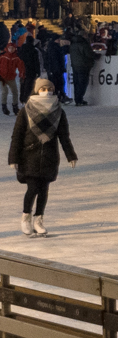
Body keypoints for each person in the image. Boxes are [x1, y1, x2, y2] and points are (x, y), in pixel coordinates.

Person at [9, 78, 76, 237]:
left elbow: (64, 136)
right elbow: (17, 136)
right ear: (37, 90)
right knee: (32, 188)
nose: (47, 92)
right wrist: (14, 158)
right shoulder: (26, 110)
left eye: (49, 88)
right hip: (29, 155)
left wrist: (70, 155)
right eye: (43, 89)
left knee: (44, 190)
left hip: (49, 156)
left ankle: (39, 220)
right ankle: (26, 217)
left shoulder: (58, 111)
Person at [0, 40, 22, 117]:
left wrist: (22, 74)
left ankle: (15, 106)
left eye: (12, 48)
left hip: (11, 77)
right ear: (7, 48)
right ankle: (4, 106)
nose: (11, 49)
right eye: (10, 48)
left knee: (15, 91)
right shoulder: (3, 56)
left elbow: (20, 66)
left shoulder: (16, 58)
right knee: (4, 91)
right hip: (2, 77)